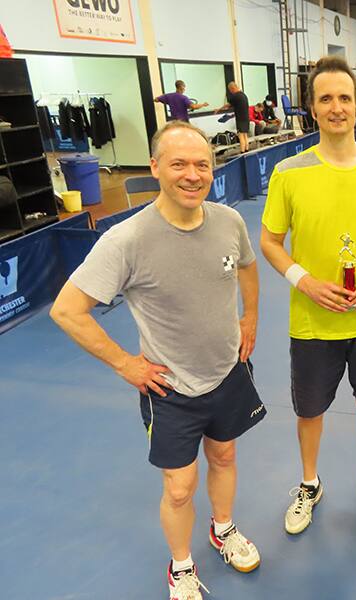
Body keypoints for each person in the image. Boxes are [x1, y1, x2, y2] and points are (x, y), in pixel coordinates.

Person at [50, 120, 264, 600]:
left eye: (202, 164)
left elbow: (247, 267)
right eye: (179, 164)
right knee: (179, 488)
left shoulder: (228, 221)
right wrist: (126, 364)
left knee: (225, 455)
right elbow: (67, 311)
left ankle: (224, 529)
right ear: (155, 168)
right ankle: (182, 566)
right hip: (170, 389)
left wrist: (249, 318)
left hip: (227, 373)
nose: (193, 175)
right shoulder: (125, 240)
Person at [260, 55, 356, 535]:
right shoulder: (288, 172)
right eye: (326, 98)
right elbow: (269, 240)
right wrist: (303, 280)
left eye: (344, 97)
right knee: (310, 411)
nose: (336, 106)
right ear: (311, 108)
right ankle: (309, 483)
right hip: (312, 321)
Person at [216, 82, 250, 153]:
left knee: (241, 135)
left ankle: (242, 151)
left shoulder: (236, 96)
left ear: (232, 88)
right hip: (246, 118)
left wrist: (219, 109)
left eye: (230, 90)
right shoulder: (244, 95)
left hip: (240, 118)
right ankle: (247, 149)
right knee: (245, 135)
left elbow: (227, 105)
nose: (230, 92)